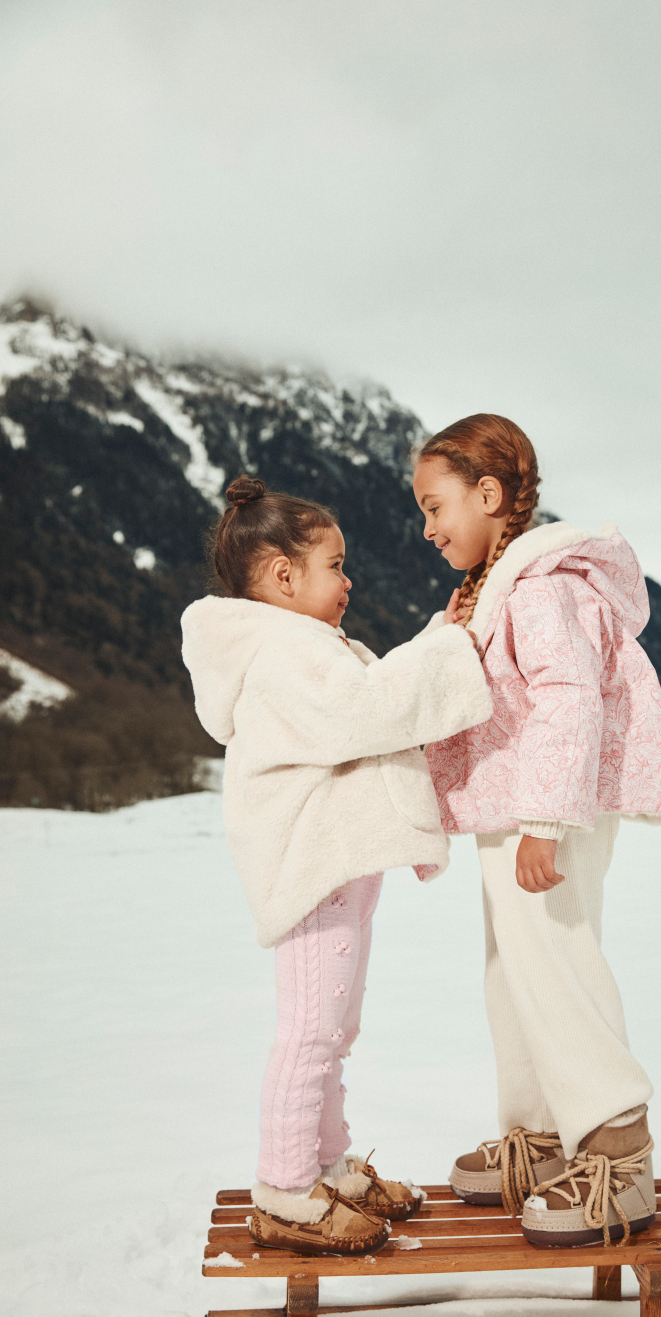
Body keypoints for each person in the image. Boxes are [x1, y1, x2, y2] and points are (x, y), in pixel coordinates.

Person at [181, 474, 491, 1256]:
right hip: (313, 867)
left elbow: (371, 693)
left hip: (336, 863)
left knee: (334, 1026)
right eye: (335, 565)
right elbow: (367, 710)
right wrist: (445, 647)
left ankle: (326, 1167)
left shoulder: (306, 647)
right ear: (283, 576)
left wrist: (435, 635)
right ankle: (286, 1190)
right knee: (310, 1030)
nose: (349, 580)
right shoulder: (279, 655)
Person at [412, 415, 661, 1249]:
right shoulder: (492, 590)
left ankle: (617, 1148)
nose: (427, 528)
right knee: (515, 970)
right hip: (518, 811)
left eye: (435, 507)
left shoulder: (540, 589)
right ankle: (540, 1134)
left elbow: (569, 698)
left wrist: (545, 822)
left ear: (488, 495)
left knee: (557, 963)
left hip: (546, 813)